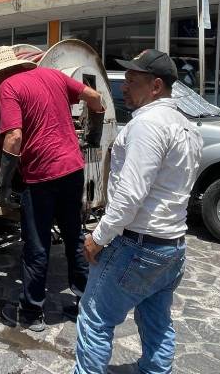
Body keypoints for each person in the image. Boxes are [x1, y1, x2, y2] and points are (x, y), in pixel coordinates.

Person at [74, 49, 203, 374]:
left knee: (94, 317)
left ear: (156, 86)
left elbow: (130, 196)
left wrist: (98, 237)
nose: (124, 88)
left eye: (132, 81)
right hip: (171, 247)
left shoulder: (148, 125)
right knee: (156, 319)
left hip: (138, 246)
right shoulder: (187, 127)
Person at [0, 46, 105, 333]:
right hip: (73, 170)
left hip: (41, 178)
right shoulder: (53, 75)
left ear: (0, 75)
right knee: (74, 238)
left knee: (37, 247)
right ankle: (85, 304)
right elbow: (95, 98)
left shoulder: (9, 87)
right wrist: (95, 132)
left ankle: (32, 313)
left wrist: (4, 183)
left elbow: (13, 138)